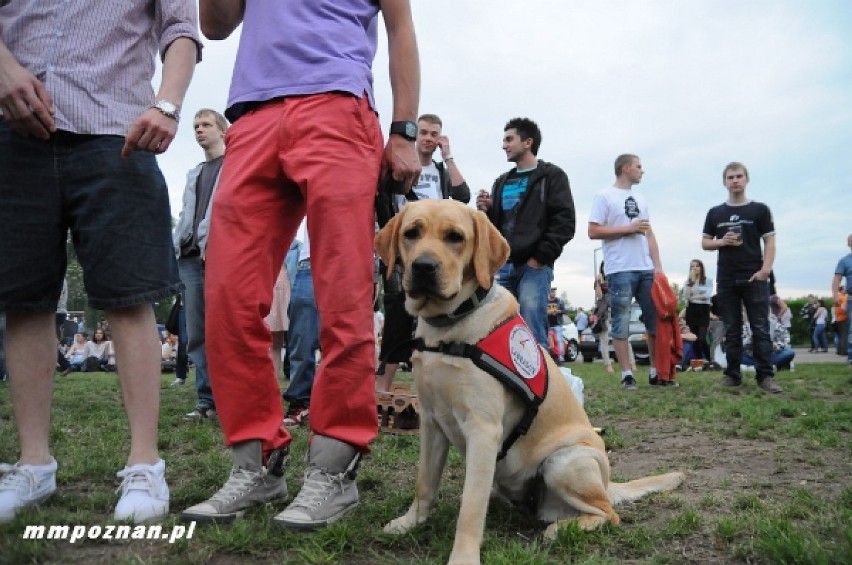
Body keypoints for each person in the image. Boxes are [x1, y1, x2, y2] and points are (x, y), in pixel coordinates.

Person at [181, 0, 420, 530]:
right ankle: (257, 462)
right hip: (253, 116)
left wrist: (403, 129)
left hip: (337, 107)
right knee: (227, 296)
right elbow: (215, 26)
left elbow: (401, 27)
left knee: (343, 297)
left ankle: (335, 469)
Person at [378, 113, 470, 391]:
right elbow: (384, 200)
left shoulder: (441, 172)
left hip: (437, 255)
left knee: (437, 315)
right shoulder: (400, 166)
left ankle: (435, 385)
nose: (428, 139)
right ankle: (382, 385)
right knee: (397, 316)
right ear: (414, 135)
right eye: (424, 133)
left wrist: (449, 156)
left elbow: (462, 196)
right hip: (406, 251)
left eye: (434, 134)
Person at [476, 117, 576, 347]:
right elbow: (498, 227)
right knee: (499, 324)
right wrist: (488, 210)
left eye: (509, 139)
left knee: (532, 325)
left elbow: (565, 221)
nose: (504, 145)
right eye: (504, 140)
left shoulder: (552, 176)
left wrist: (540, 258)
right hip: (503, 265)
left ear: (528, 142)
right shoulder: (501, 182)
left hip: (534, 267)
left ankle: (539, 380)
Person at [701, 162, 782, 393]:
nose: (735, 180)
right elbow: (705, 242)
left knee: (760, 327)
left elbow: (770, 241)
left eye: (739, 176)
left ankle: (765, 376)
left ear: (747, 179)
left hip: (754, 277)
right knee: (732, 328)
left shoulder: (760, 210)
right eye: (730, 177)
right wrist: (721, 242)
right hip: (726, 278)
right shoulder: (715, 212)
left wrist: (765, 270)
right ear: (724, 182)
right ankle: (732, 375)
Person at [588, 154, 663, 390]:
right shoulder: (604, 196)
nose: (643, 171)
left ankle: (655, 371)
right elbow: (593, 231)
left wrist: (657, 266)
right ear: (626, 168)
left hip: (645, 268)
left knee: (653, 320)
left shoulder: (641, 198)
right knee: (621, 320)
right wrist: (627, 228)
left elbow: (649, 233)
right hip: (620, 268)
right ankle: (627, 374)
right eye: (639, 166)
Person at [173, 109, 227, 419]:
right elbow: (185, 215)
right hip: (191, 259)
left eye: (206, 125)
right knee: (196, 333)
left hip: (221, 256)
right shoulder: (194, 172)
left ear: (222, 130)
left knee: (223, 330)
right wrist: (176, 247)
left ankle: (228, 398)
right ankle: (205, 400)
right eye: (195, 126)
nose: (199, 130)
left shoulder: (233, 166)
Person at [283, 223, 318, 428]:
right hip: (309, 261)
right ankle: (300, 401)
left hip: (351, 260)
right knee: (301, 337)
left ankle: (339, 404)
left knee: (345, 341)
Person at [682, 259, 713, 362]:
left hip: (703, 309)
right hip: (692, 309)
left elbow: (707, 295)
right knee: (695, 337)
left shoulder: (707, 280)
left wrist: (694, 297)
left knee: (702, 338)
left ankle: (708, 360)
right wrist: (691, 284)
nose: (695, 268)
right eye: (692, 266)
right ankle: (699, 360)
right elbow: (686, 296)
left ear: (701, 267)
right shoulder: (688, 281)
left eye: (697, 266)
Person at [832, 234, 852, 363]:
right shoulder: (844, 261)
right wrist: (835, 295)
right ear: (849, 244)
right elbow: (837, 279)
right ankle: (851, 358)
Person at [593, 263, 615, 373]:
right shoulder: (599, 280)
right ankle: (608, 364)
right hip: (603, 315)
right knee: (604, 340)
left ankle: (631, 363)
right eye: (603, 267)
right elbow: (599, 296)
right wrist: (598, 283)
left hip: (616, 312)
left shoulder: (615, 278)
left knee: (623, 338)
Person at [547, 288, 567, 363]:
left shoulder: (560, 301)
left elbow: (565, 311)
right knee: (549, 341)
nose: (553, 293)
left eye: (554, 292)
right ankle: (551, 356)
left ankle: (560, 356)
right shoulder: (546, 302)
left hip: (558, 324)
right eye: (552, 292)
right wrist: (548, 313)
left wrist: (558, 311)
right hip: (549, 324)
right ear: (549, 293)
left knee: (559, 340)